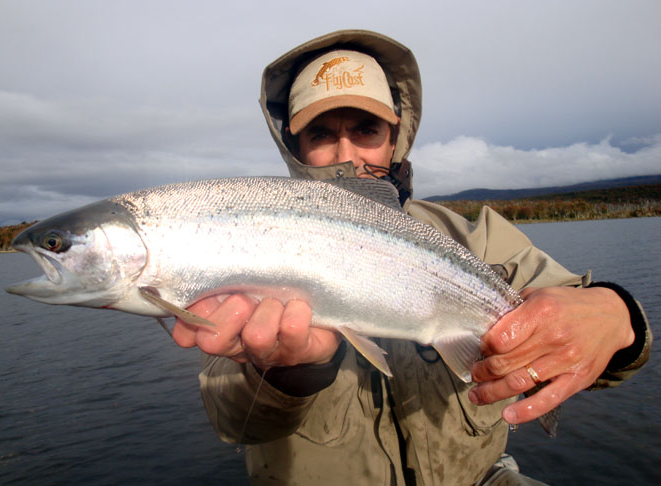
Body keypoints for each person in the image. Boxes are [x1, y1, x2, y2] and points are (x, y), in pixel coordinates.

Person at [173, 30, 652, 485]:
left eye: (365, 129)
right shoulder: (248, 245)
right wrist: (286, 370)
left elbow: (596, 336)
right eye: (321, 134)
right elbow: (234, 421)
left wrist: (616, 314)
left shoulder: (476, 238)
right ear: (294, 147)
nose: (348, 154)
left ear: (394, 136)